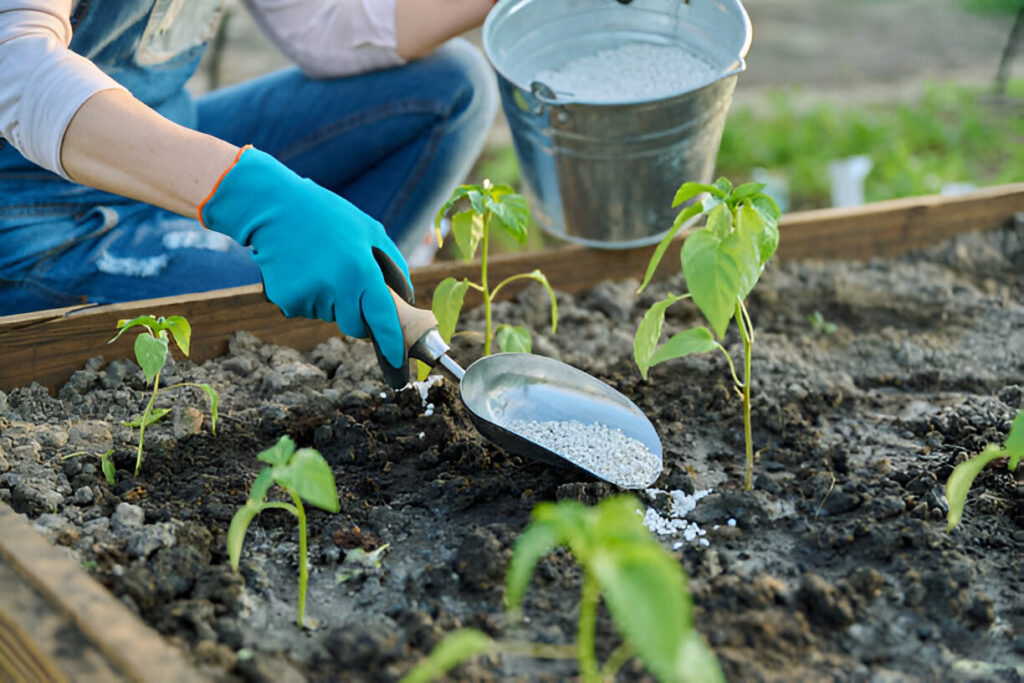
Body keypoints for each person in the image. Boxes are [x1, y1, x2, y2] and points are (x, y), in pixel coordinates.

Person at [0, 0, 500, 382]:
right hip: (35, 216)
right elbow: (14, 61)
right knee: (282, 308)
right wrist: (253, 197)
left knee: (452, 86)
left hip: (169, 132)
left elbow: (323, 26)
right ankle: (336, 320)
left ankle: (350, 285)